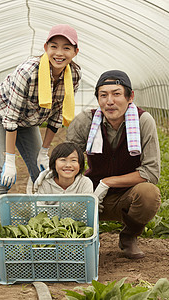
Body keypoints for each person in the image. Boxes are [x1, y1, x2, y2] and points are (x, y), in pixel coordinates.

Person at [0, 24, 81, 221]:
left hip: (29, 120)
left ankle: (43, 222)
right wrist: (10, 160)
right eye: (54, 46)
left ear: (75, 51)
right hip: (0, 115)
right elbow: (11, 119)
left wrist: (44, 152)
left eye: (66, 48)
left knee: (41, 172)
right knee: (2, 177)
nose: (59, 53)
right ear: (46, 47)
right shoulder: (28, 72)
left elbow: (56, 117)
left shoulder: (74, 75)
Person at [66, 70, 161, 259]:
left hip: (127, 195)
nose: (109, 101)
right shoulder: (86, 121)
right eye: (103, 95)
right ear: (98, 99)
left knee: (149, 193)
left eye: (116, 94)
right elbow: (67, 162)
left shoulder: (143, 121)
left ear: (130, 96)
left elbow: (151, 172)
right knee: (66, 194)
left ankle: (129, 236)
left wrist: (107, 183)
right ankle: (78, 238)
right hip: (90, 192)